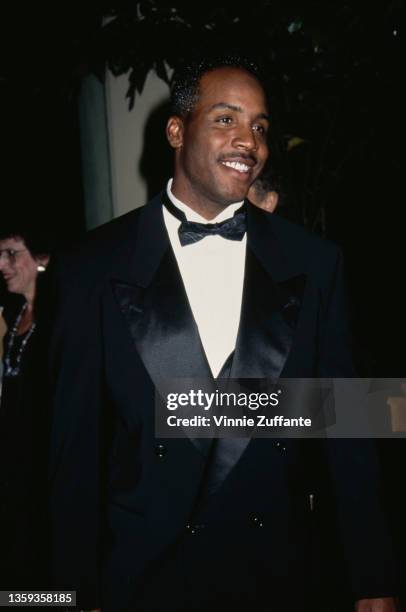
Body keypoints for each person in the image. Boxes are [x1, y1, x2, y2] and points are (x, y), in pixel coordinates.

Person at [48, 55, 398, 612]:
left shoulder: (315, 263)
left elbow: (349, 427)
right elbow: (71, 455)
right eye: (226, 119)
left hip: (279, 578)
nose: (249, 141)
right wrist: (68, 593)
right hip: (140, 580)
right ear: (176, 129)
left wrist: (376, 578)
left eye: (259, 126)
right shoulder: (89, 268)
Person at [0, 225, 51, 589]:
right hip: (13, 457)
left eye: (12, 253)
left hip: (43, 460)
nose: (2, 264)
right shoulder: (13, 316)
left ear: (42, 259)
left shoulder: (61, 319)